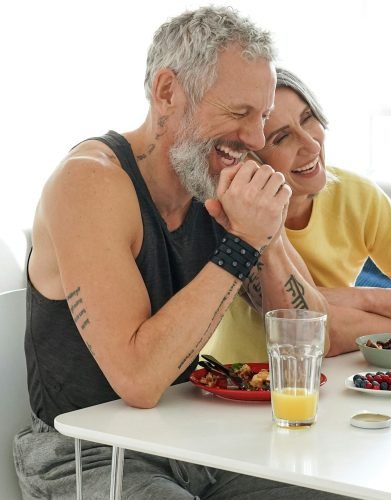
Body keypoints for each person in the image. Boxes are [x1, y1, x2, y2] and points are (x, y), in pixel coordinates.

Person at [13, 8, 348, 500]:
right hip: (84, 454)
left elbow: (311, 340)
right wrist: (243, 243)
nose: (255, 139)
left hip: (189, 439)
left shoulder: (215, 178)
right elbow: (140, 381)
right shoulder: (89, 183)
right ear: (167, 91)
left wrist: (267, 233)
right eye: (239, 114)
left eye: (261, 115)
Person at [204, 67, 391, 363]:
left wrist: (352, 298)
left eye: (307, 118)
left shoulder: (355, 195)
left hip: (329, 384)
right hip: (231, 387)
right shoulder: (233, 215)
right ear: (248, 158)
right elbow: (309, 335)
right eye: (281, 138)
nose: (312, 144)